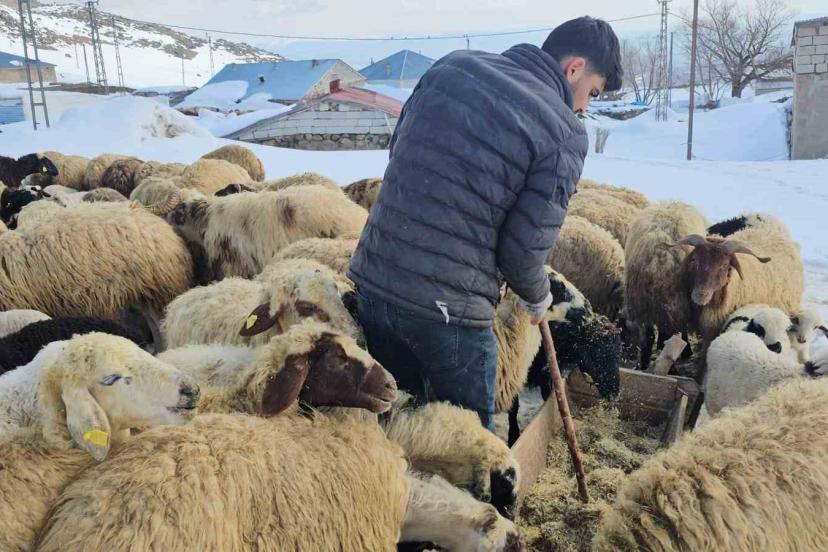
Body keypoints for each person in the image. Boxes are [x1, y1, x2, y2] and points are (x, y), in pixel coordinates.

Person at [348, 16, 623, 431]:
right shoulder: (563, 131)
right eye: (593, 92)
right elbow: (521, 253)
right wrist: (538, 297)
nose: (584, 106)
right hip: (449, 313)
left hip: (375, 283)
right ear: (575, 69)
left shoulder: (450, 67)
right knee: (468, 445)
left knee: (397, 424)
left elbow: (399, 156)